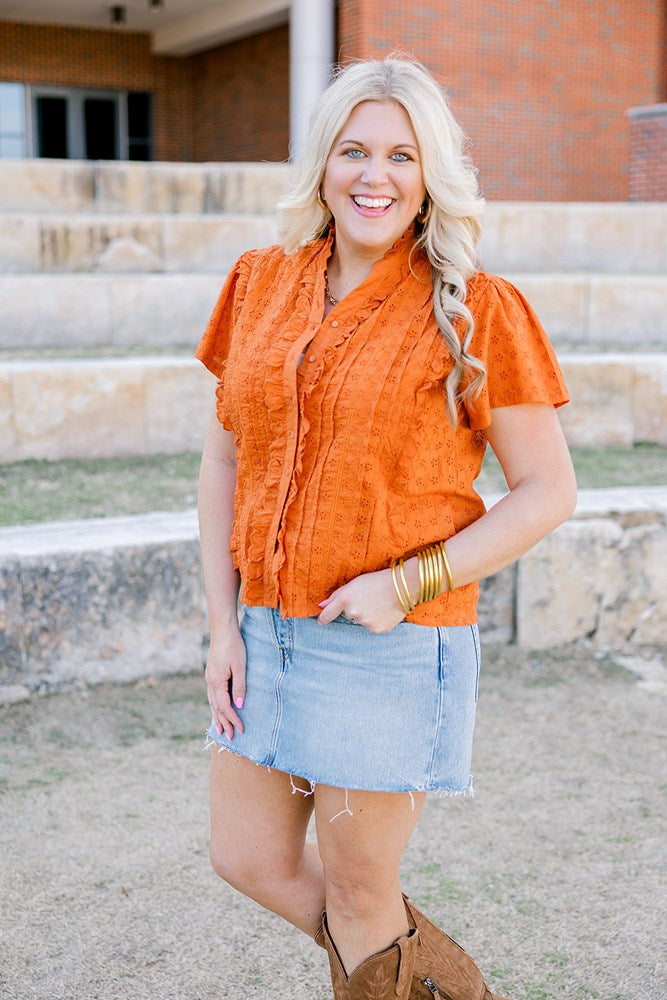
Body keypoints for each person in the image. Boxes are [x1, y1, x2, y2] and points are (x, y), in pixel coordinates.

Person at [196, 55, 576, 1000]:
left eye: (401, 155)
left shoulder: (476, 308)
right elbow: (223, 459)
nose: (375, 175)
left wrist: (400, 585)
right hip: (263, 632)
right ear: (323, 163)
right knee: (247, 859)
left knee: (364, 894)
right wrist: (220, 629)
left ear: (430, 173)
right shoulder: (258, 283)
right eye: (354, 150)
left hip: (387, 639)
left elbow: (545, 491)